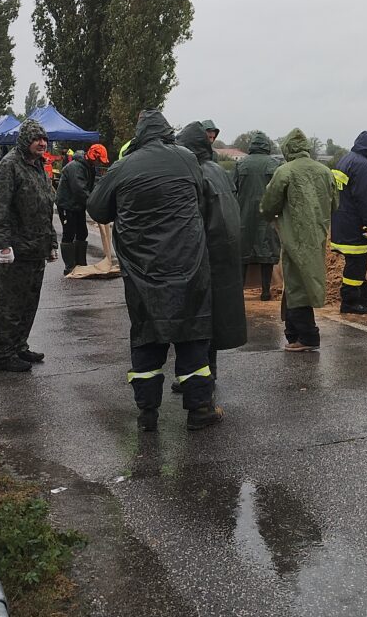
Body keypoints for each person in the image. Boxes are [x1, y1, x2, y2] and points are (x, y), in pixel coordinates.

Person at [87, 110, 221, 432]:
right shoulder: (187, 159)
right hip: (189, 267)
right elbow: (202, 197)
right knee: (192, 338)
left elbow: (96, 207)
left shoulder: (123, 167)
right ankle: (199, 409)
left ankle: (147, 413)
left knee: (146, 338)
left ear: (139, 135)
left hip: (143, 272)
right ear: (167, 132)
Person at [0, 119, 58, 372]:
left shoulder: (38, 167)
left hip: (36, 248)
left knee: (29, 302)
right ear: (26, 140)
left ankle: (19, 346)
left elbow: (46, 207)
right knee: (10, 304)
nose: (42, 143)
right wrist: (2, 245)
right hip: (14, 250)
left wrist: (52, 242)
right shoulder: (9, 166)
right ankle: (2, 354)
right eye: (37, 139)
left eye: (44, 139)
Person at [176, 122, 247, 384]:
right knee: (214, 318)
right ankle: (208, 373)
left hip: (204, 253)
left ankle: (196, 378)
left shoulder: (194, 174)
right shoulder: (218, 170)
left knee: (197, 319)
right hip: (225, 252)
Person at [259, 129, 338, 352]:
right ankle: (294, 335)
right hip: (318, 235)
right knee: (301, 281)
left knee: (296, 283)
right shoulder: (325, 172)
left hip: (293, 235)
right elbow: (335, 205)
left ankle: (307, 336)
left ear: (287, 148)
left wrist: (271, 217)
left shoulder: (284, 172)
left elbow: (268, 205)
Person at [329, 131, 367, 314]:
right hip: (355, 224)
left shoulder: (345, 160)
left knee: (358, 262)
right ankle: (349, 302)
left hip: (344, 220)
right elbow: (364, 199)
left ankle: (364, 296)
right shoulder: (362, 166)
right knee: (356, 262)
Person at [232, 131, 281, 300]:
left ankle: (239, 291)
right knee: (266, 252)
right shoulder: (274, 164)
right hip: (267, 215)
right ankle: (266, 291)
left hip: (243, 214)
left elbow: (233, 188)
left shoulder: (241, 164)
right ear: (266, 146)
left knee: (243, 253)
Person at [56, 143, 109, 275]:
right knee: (69, 233)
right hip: (67, 204)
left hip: (78, 205)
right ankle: (70, 267)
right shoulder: (75, 167)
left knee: (82, 232)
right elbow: (80, 190)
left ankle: (81, 264)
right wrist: (94, 205)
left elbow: (91, 187)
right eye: (98, 161)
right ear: (93, 156)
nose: (98, 163)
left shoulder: (89, 166)